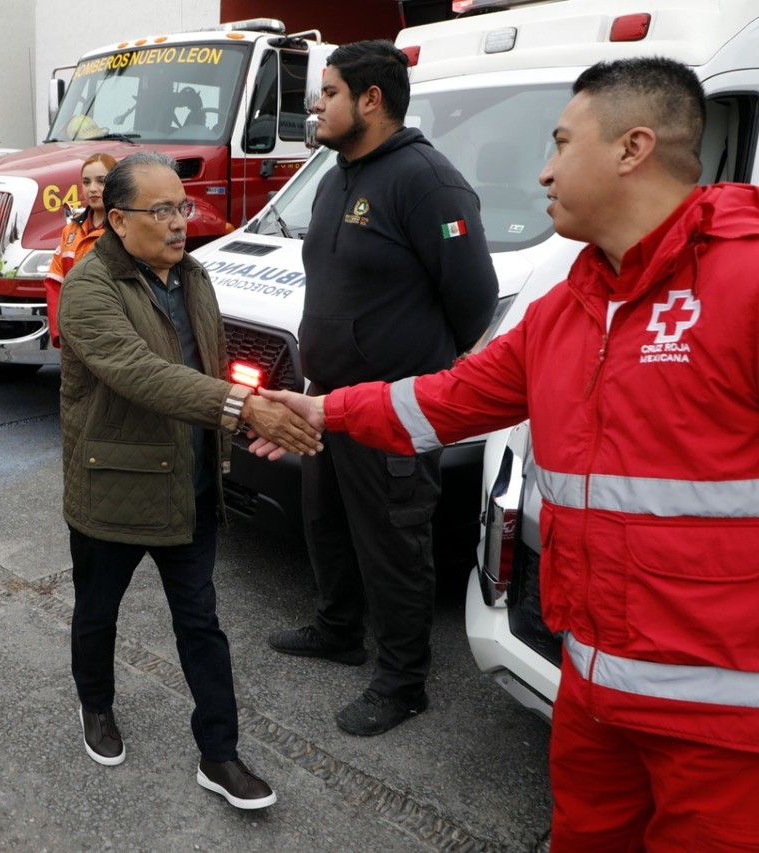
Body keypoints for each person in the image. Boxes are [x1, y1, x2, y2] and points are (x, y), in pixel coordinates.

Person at [252, 57, 759, 849]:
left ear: (632, 148)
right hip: (593, 695)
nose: (542, 170)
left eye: (559, 142)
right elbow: (442, 398)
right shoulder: (571, 307)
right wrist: (325, 408)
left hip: (738, 731)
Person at [58, 151, 322, 811]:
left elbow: (212, 366)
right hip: (112, 489)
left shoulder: (195, 276)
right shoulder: (90, 287)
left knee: (201, 622)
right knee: (97, 613)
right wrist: (241, 406)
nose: (181, 221)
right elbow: (141, 372)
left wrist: (249, 416)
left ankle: (220, 752)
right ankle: (96, 705)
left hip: (191, 488)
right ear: (117, 220)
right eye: (162, 210)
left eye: (182, 206)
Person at [265, 40, 498, 737]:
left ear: (371, 99)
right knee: (325, 521)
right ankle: (339, 627)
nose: (317, 103)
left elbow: (474, 298)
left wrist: (416, 368)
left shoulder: (428, 182)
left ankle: (403, 681)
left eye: (329, 91)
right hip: (325, 396)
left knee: (395, 541)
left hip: (393, 409)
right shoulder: (335, 175)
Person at [43, 152, 115, 349]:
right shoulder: (71, 230)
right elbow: (55, 284)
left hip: (110, 335)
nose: (93, 189)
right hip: (74, 336)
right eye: (86, 182)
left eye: (102, 181)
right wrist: (60, 334)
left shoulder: (124, 229)